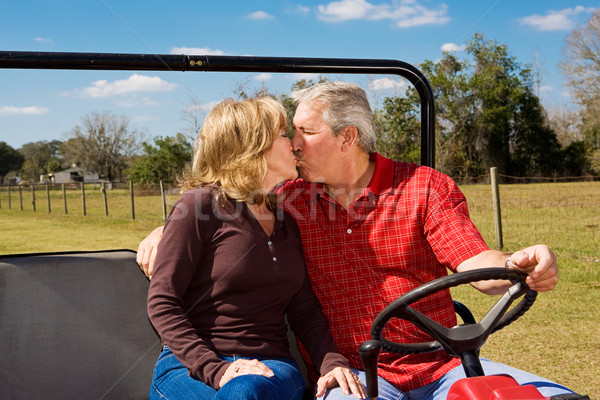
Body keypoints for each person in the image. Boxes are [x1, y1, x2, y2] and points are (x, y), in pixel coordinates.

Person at [139, 82, 573, 399]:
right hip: (358, 373)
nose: (294, 144)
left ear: (347, 136)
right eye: (289, 134)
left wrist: (515, 267)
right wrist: (169, 227)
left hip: (443, 363)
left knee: (553, 397)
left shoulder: (423, 187)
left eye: (305, 132)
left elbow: (473, 259)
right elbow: (224, 199)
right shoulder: (292, 200)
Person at [146, 96, 366, 400]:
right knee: (240, 392)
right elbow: (162, 302)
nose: (294, 144)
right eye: (283, 135)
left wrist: (331, 361)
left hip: (270, 368)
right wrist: (216, 369)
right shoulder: (199, 207)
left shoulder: (286, 221)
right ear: (254, 146)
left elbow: (305, 311)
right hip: (190, 367)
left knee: (246, 389)